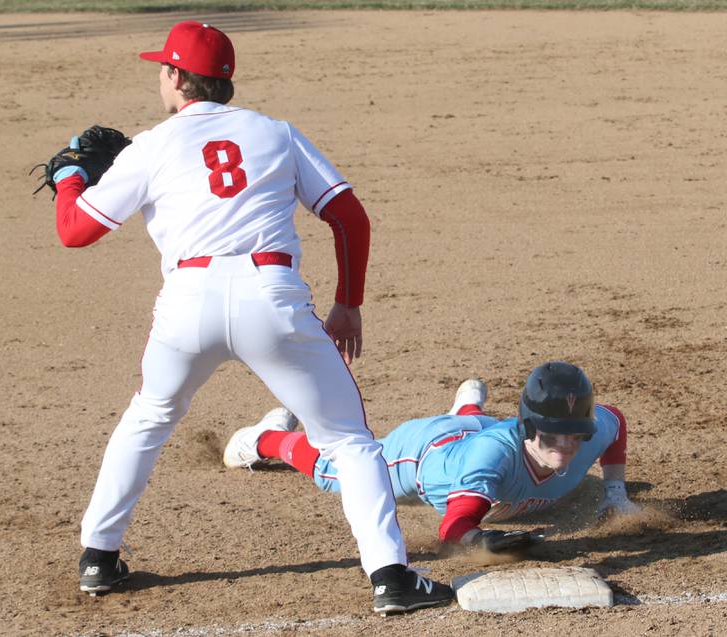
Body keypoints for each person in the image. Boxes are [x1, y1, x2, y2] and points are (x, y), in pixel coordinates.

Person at [50, 20, 453, 614]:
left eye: (164, 68)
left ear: (179, 78)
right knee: (347, 439)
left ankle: (98, 558)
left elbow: (74, 232)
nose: (160, 77)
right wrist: (349, 302)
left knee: (149, 417)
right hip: (273, 297)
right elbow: (350, 218)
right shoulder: (276, 133)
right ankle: (391, 577)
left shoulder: (150, 145)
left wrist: (69, 178)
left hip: (187, 303)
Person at [224, 361, 640, 552]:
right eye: (554, 437)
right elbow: (453, 526)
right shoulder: (489, 461)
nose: (567, 447)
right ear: (530, 428)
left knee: (476, 428)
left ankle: (467, 410)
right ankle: (266, 438)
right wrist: (485, 544)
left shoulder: (586, 434)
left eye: (574, 436)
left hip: (478, 433)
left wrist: (615, 494)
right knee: (335, 472)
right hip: (422, 454)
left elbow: (615, 420)